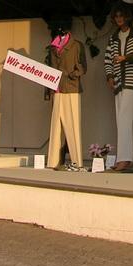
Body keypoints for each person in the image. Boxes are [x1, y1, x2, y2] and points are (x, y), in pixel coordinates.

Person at [103, 5, 133, 171]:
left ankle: (125, 158)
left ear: (127, 17)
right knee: (120, 119)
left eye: (121, 16)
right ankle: (124, 157)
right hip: (118, 82)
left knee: (126, 119)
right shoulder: (113, 38)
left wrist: (125, 58)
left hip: (132, 80)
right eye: (116, 17)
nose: (119, 19)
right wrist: (109, 76)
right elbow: (107, 59)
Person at [46, 28, 87, 170]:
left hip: (71, 88)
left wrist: (71, 75)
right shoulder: (53, 47)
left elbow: (83, 67)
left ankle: (77, 161)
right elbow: (50, 67)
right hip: (57, 88)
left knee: (73, 125)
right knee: (55, 126)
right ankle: (53, 161)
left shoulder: (77, 45)